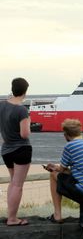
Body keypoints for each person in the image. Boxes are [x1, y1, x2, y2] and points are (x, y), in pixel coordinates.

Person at [0, 78, 31, 226]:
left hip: (6, 150)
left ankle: (10, 215)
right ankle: (12, 218)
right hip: (21, 149)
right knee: (18, 185)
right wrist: (29, 123)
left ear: (12, 89)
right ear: (25, 91)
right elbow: (25, 134)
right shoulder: (22, 110)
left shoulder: (1, 105)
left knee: (12, 183)